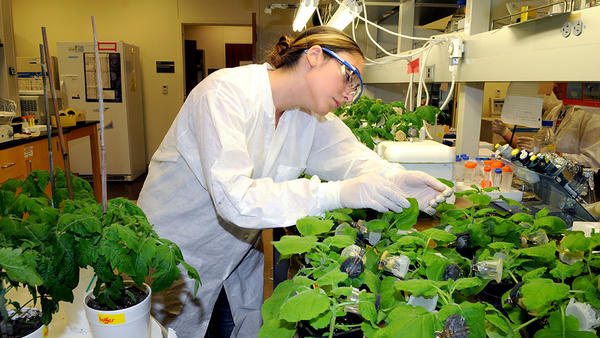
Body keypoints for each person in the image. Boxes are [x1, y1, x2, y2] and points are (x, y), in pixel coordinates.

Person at [137, 26, 452, 337]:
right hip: (176, 253)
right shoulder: (224, 94)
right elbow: (236, 199)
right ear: (315, 56)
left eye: (356, 87)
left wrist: (397, 179)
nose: (349, 94)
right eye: (348, 76)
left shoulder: (307, 118)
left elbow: (351, 158)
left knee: (226, 327)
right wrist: (336, 194)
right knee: (159, 331)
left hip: (233, 256)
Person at [492, 90, 600, 168]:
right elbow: (535, 149)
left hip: (576, 189)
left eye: (561, 82)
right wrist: (505, 132)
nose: (554, 86)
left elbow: (593, 162)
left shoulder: (593, 114)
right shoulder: (555, 111)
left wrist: (551, 154)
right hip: (551, 181)